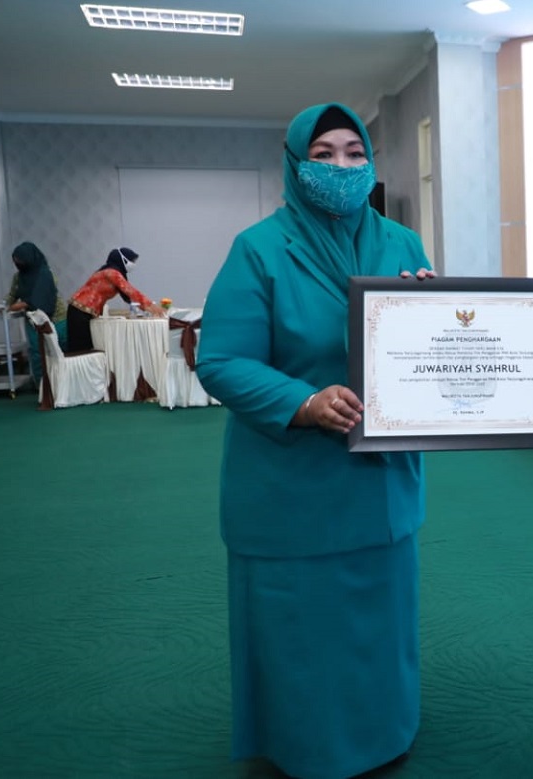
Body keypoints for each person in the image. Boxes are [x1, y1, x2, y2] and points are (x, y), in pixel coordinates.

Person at [195, 103, 434, 779]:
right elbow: (221, 360)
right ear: (295, 164)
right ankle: (306, 746)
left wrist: (431, 311)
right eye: (323, 154)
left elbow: (432, 343)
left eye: (355, 153)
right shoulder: (259, 249)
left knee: (378, 616)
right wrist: (303, 402)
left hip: (378, 478)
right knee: (303, 623)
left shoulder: (401, 245)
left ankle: (384, 731)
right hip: (292, 482)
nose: (341, 166)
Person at [65, 247, 164, 351]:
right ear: (123, 260)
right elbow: (131, 291)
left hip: (84, 312)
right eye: (132, 261)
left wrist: (149, 307)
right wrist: (152, 307)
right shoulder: (112, 273)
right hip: (80, 311)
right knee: (81, 349)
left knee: (86, 347)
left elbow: (129, 296)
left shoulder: (109, 271)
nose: (133, 264)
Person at [4, 241, 67, 385]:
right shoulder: (18, 277)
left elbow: (41, 297)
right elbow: (12, 295)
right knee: (37, 351)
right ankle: (42, 384)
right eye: (15, 261)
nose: (18, 264)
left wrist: (19, 305)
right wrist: (4, 305)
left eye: (20, 261)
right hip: (34, 320)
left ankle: (63, 382)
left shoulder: (46, 274)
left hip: (57, 317)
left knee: (61, 348)